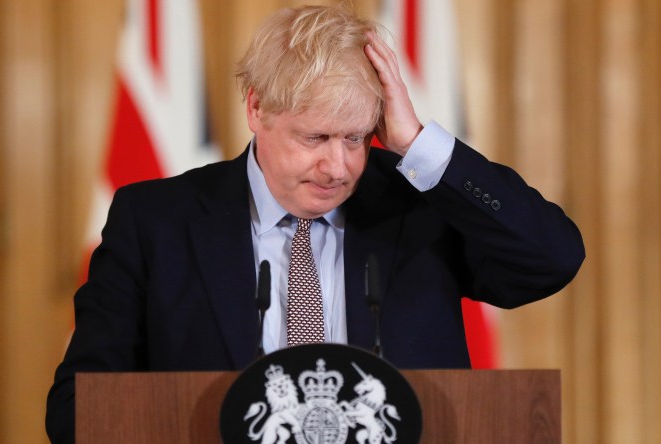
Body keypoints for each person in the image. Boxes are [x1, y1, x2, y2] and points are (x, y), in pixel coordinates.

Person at [46, 4, 585, 443]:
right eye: (315, 138)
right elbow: (78, 407)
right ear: (257, 109)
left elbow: (552, 259)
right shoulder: (157, 221)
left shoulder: (419, 207)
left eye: (356, 138)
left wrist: (417, 144)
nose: (338, 167)